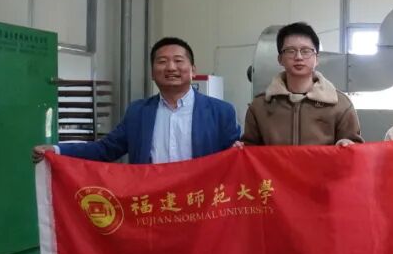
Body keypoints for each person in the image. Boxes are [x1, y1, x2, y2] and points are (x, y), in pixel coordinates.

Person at [32, 37, 240, 164]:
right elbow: (105, 149)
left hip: (201, 206)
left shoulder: (221, 112)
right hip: (152, 206)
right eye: (162, 61)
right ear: (152, 72)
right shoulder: (138, 112)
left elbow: (236, 158)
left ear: (193, 70)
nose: (170, 68)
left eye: (178, 61)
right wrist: (57, 150)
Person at [242, 22, 362, 146]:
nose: (298, 57)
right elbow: (249, 150)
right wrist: (240, 147)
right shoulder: (260, 107)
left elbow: (355, 148)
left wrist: (348, 144)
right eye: (290, 51)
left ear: (317, 59)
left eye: (306, 51)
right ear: (280, 59)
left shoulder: (340, 105)